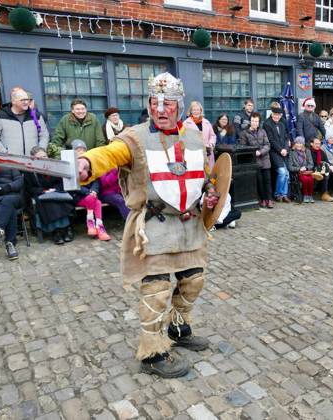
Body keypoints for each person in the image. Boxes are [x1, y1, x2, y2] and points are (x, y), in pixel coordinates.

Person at [76, 72, 221, 378]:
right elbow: (110, 154)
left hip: (189, 224)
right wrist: (87, 163)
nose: (161, 109)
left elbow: (203, 175)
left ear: (179, 106)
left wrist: (210, 192)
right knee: (156, 288)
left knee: (193, 279)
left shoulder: (194, 135)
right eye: (155, 102)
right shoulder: (134, 137)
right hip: (153, 224)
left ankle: (179, 329)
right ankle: (152, 353)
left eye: (168, 102)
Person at [24, 146, 74, 245]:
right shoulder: (29, 170)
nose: (44, 158)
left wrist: (55, 189)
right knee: (49, 204)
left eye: (45, 156)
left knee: (60, 201)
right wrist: (43, 191)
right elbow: (29, 188)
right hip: (41, 195)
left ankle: (66, 229)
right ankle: (55, 232)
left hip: (56, 192)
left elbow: (61, 181)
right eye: (40, 157)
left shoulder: (54, 165)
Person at [69, 140, 111, 241]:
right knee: (94, 201)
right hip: (78, 197)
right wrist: (88, 193)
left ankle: (94, 225)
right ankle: (98, 227)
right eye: (78, 150)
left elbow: (96, 181)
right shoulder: (71, 167)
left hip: (92, 195)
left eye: (83, 150)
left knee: (97, 202)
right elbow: (74, 186)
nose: (81, 152)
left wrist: (94, 191)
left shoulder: (90, 165)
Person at [0, 87, 49, 155]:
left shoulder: (37, 116)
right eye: (22, 100)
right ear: (13, 101)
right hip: (11, 161)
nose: (26, 102)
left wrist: (40, 151)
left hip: (33, 160)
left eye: (27, 99)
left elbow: (44, 135)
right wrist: (4, 152)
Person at [239, 112, 273, 208]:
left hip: (265, 159)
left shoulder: (263, 131)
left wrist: (261, 152)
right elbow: (243, 147)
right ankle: (262, 199)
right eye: (253, 121)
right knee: (260, 181)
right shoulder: (244, 133)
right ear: (250, 121)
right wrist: (254, 153)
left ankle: (269, 199)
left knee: (267, 180)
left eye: (256, 121)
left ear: (259, 122)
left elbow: (267, 145)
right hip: (254, 161)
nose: (255, 123)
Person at [263, 103, 290, 203]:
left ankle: (284, 194)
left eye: (278, 115)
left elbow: (286, 138)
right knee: (282, 172)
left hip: (284, 152)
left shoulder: (282, 124)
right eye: (275, 114)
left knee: (287, 174)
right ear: (272, 114)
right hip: (274, 152)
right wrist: (280, 150)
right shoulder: (267, 124)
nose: (277, 116)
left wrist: (286, 149)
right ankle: (278, 194)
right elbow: (271, 140)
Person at [184, 101, 216, 170]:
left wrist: (210, 144)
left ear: (201, 111)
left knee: (208, 174)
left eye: (198, 110)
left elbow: (212, 136)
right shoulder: (186, 123)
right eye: (194, 110)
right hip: (193, 154)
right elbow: (183, 139)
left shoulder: (206, 122)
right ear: (191, 111)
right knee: (196, 174)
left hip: (207, 153)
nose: (196, 112)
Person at [288, 136, 316, 203]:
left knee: (311, 179)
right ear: (295, 144)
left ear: (303, 144)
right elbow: (290, 166)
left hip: (307, 171)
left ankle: (310, 195)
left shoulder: (307, 151)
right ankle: (305, 195)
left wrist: (306, 168)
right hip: (298, 173)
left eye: (300, 143)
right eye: (297, 143)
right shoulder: (292, 152)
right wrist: (299, 169)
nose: (299, 145)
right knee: (305, 179)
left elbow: (311, 164)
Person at [309, 137, 333, 202]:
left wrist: (330, 166)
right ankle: (324, 193)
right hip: (311, 169)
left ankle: (324, 194)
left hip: (321, 170)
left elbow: (327, 162)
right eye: (316, 144)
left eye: (319, 144)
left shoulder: (321, 152)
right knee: (324, 174)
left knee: (326, 173)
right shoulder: (308, 152)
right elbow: (309, 164)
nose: (318, 145)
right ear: (311, 144)